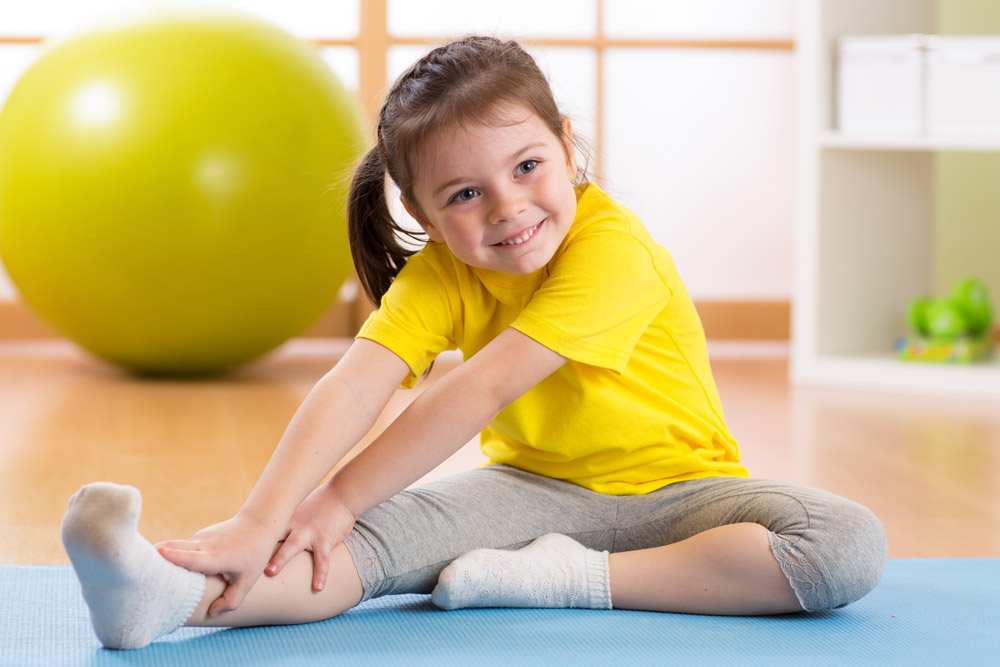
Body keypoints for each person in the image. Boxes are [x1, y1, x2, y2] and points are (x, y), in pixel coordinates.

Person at [60, 35, 888, 650]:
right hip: (527, 492)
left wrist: (340, 493)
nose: (507, 208)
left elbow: (479, 389)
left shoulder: (615, 250)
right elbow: (356, 384)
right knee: (341, 546)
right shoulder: (442, 275)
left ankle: (564, 580)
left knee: (844, 545)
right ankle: (165, 596)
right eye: (465, 192)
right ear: (422, 212)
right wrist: (264, 516)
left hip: (680, 500)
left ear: (568, 145)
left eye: (528, 166)